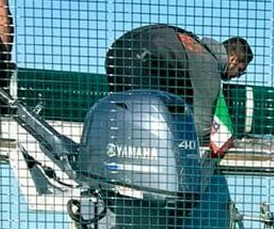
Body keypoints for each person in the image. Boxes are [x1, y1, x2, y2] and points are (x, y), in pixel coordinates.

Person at [104, 24, 253, 151]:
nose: (237, 76)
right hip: (141, 59)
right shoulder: (208, 66)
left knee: (126, 117)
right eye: (240, 70)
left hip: (118, 51)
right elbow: (201, 127)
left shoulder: (195, 47)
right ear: (232, 59)